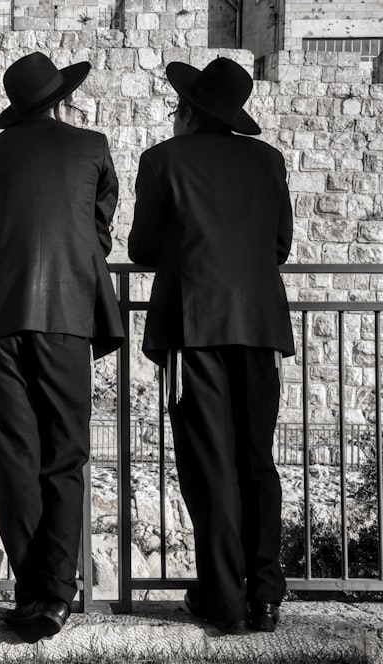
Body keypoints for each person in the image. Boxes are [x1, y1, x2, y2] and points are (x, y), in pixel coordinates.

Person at [128, 57, 294, 635]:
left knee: (208, 466)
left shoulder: (162, 160)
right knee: (257, 462)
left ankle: (223, 598)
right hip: (259, 329)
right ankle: (266, 594)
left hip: (192, 330)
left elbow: (143, 246)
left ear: (188, 113)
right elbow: (280, 245)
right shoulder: (268, 160)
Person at [0, 52, 125, 644]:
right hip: (67, 316)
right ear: (62, 100)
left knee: (14, 461)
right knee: (65, 456)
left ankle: (33, 590)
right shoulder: (92, 147)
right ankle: (56, 594)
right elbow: (99, 227)